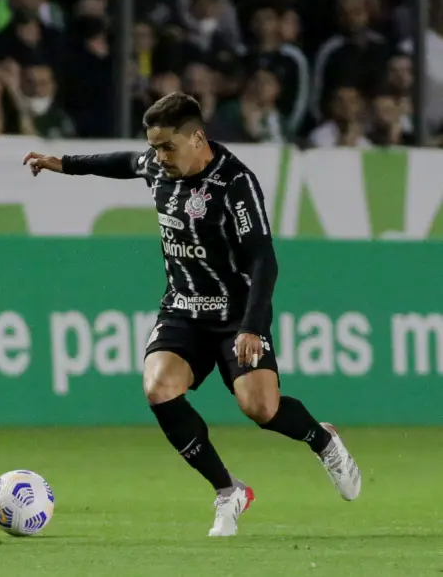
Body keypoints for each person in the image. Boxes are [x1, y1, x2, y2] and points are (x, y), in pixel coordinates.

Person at [22, 92, 361, 537]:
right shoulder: (156, 165)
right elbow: (120, 161)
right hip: (181, 309)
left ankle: (323, 440)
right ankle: (228, 491)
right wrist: (61, 162)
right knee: (158, 387)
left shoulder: (235, 183)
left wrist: (254, 325)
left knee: (260, 408)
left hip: (235, 315)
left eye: (166, 147)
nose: (157, 157)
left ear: (197, 138)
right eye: (154, 147)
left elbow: (263, 260)